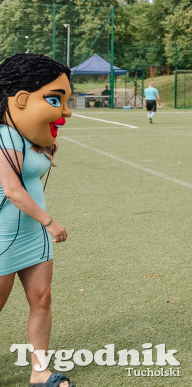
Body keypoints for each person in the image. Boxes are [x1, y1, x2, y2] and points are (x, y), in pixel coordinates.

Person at [0, 53, 74, 387]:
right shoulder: (5, 136)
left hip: (32, 234)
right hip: (4, 236)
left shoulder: (27, 137)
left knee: (42, 300)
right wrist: (49, 222)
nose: (66, 111)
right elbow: (13, 190)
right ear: (21, 99)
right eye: (55, 99)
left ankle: (39, 372)